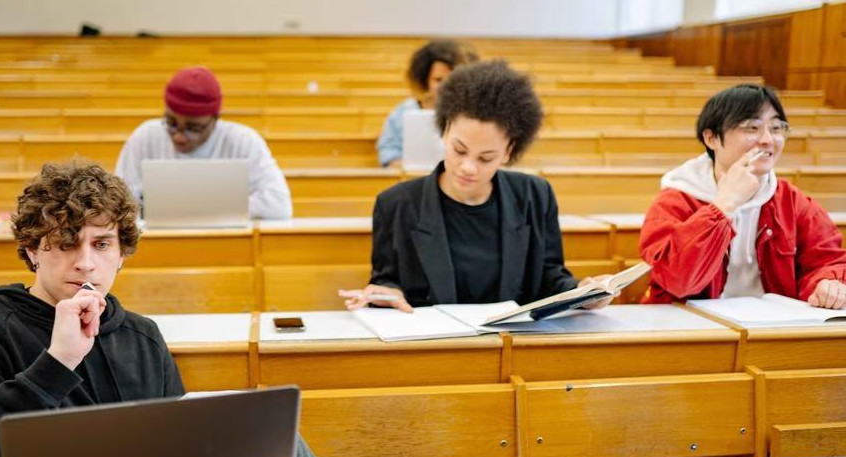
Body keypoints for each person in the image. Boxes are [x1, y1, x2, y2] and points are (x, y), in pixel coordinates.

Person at [0, 161, 325, 457]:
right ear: (31, 249)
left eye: (101, 244)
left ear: (121, 253)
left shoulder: (143, 337)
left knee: (284, 446)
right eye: (65, 243)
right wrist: (56, 363)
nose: (85, 263)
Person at [345, 61, 614, 312]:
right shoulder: (396, 204)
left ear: (509, 151)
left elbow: (550, 277)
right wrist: (386, 295)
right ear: (446, 130)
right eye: (459, 150)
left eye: (486, 158)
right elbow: (387, 282)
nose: (468, 167)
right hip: (432, 349)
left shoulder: (535, 196)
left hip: (513, 346)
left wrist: (583, 293)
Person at [640, 84, 846, 307]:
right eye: (751, 128)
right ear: (711, 138)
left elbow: (827, 259)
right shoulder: (676, 200)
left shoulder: (792, 201)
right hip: (691, 329)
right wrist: (723, 206)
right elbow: (678, 281)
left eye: (776, 128)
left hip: (772, 329)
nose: (767, 139)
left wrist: (826, 283)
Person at [115, 66, 292, 219]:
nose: (180, 137)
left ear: (215, 119)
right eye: (172, 123)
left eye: (193, 128)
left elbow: (279, 203)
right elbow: (117, 204)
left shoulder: (244, 141)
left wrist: (195, 209)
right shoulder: (145, 136)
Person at [375, 39, 479, 168]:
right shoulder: (403, 112)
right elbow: (388, 154)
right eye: (438, 80)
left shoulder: (476, 113)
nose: (446, 86)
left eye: (453, 79)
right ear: (425, 81)